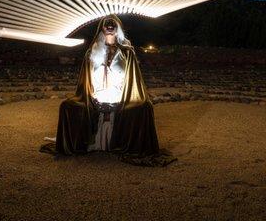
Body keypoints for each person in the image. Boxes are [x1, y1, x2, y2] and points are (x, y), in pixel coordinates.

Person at [41, 14, 177, 166]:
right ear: (102, 28)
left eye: (113, 24)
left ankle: (129, 144)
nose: (110, 27)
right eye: (107, 24)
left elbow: (133, 80)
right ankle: (78, 142)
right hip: (96, 98)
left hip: (120, 97)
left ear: (118, 28)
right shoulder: (91, 52)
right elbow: (85, 82)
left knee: (144, 107)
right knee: (67, 106)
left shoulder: (127, 52)